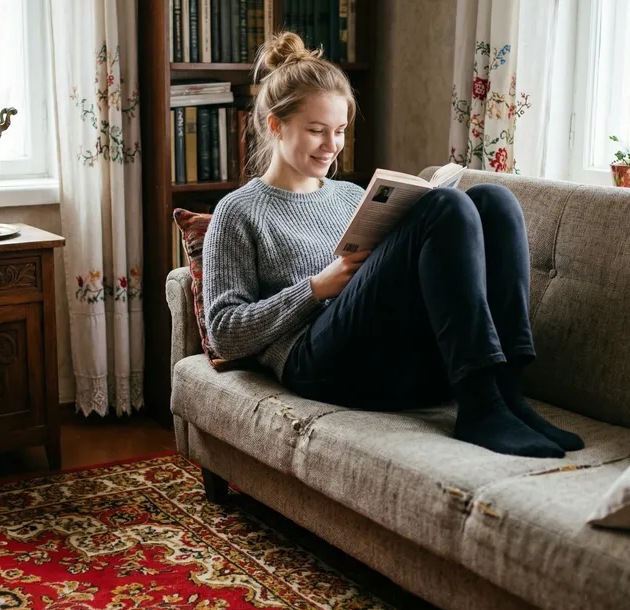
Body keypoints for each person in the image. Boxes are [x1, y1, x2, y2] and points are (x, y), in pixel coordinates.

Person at [202, 32, 584, 458]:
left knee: (494, 201)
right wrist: (316, 288)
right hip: (318, 365)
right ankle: (480, 407)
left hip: (396, 359)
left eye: (340, 131)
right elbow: (224, 334)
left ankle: (509, 395)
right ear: (276, 125)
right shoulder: (238, 211)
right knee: (445, 206)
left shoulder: (351, 197)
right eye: (316, 131)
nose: (332, 146)